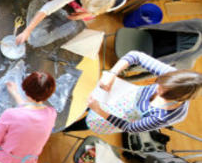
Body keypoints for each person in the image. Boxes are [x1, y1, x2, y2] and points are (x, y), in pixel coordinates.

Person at [65, 51, 201, 134]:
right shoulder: (172, 78)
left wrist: (99, 110)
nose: (156, 87)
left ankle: (64, 127)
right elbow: (135, 56)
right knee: (77, 102)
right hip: (121, 96)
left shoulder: (166, 116)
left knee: (78, 122)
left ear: (176, 99)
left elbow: (130, 127)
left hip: (116, 118)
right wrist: (112, 74)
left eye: (161, 91)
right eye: (159, 84)